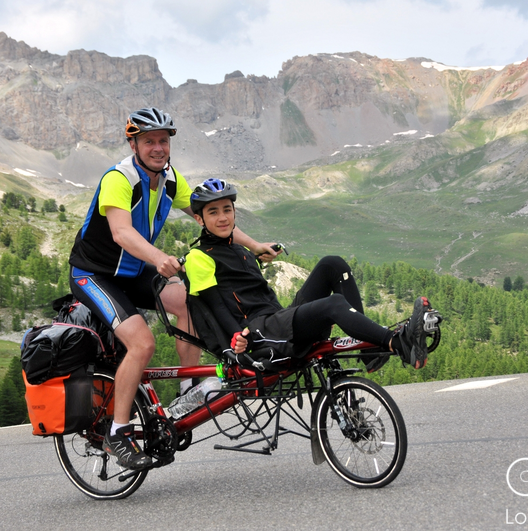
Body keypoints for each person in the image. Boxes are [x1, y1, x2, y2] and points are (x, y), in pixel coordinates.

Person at [69, 108, 277, 470]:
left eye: (163, 140)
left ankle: (188, 392)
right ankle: (117, 433)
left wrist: (255, 246)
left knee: (188, 300)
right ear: (133, 143)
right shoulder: (119, 179)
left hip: (132, 271)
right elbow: (121, 232)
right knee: (142, 343)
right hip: (95, 274)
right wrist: (158, 257)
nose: (158, 148)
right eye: (149, 141)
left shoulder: (169, 179)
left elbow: (212, 217)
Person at [183, 178, 440, 372]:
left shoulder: (241, 251)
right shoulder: (199, 257)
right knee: (334, 304)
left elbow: (247, 289)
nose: (222, 217)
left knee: (333, 264)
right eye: (213, 212)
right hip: (257, 335)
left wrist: (258, 253)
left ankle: (370, 353)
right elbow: (216, 308)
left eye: (227, 209)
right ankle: (395, 343)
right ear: (199, 219)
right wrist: (237, 341)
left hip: (277, 320)